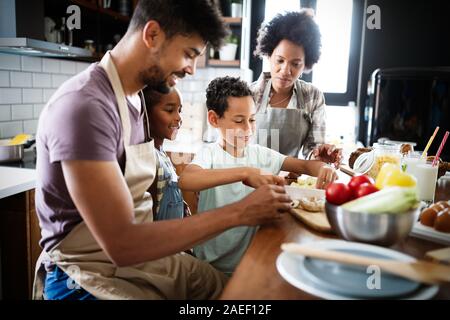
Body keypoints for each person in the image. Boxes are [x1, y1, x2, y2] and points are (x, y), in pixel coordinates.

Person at [34, 0, 292, 300]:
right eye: (189, 54)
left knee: (237, 292)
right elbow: (122, 244)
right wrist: (241, 212)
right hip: (86, 276)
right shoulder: (85, 107)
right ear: (152, 35)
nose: (191, 68)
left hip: (139, 262)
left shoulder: (134, 101)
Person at [178, 76, 337, 275]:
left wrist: (324, 168)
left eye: (252, 119)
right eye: (239, 121)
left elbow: (305, 165)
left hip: (247, 265)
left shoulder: (260, 154)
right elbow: (186, 180)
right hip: (210, 267)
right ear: (213, 119)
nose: (248, 129)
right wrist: (245, 172)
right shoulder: (209, 154)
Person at [251, 10, 342, 166]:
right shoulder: (248, 94)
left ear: (305, 64)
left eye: (295, 64)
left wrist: (320, 156)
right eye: (280, 60)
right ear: (268, 56)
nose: (286, 71)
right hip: (250, 180)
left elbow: (312, 151)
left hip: (290, 181)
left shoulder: (312, 96)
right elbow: (234, 148)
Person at [143, 87, 189, 220]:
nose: (178, 117)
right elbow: (149, 216)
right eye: (170, 110)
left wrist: (180, 204)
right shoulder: (150, 159)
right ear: (146, 113)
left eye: (179, 110)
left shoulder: (161, 152)